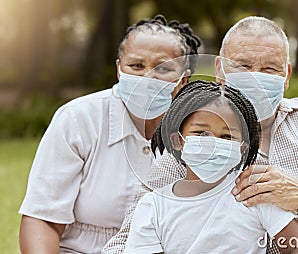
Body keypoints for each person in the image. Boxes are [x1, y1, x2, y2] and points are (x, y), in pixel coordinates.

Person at [103, 16, 298, 254]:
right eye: (242, 66)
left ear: (287, 75)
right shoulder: (192, 142)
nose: (255, 76)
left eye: (269, 68)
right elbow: (128, 236)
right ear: (219, 70)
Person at [18, 14, 201, 253]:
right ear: (119, 69)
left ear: (183, 80)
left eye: (163, 68)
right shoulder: (78, 118)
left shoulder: (201, 130)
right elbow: (43, 218)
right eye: (136, 66)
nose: (147, 77)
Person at [125, 79, 298, 253]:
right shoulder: (154, 207)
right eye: (201, 133)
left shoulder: (253, 195)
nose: (214, 143)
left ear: (242, 148)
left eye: (226, 136)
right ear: (177, 141)